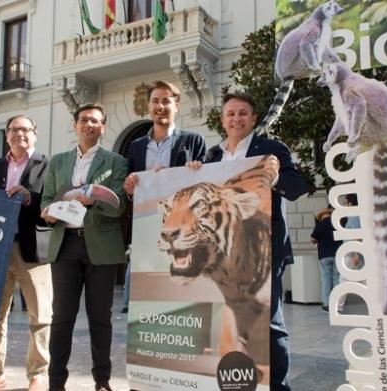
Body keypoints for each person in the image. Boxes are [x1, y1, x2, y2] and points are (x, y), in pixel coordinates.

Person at [202, 92, 311, 391]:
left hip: (263, 249)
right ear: (222, 120)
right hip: (223, 253)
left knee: (269, 321)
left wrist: (275, 179)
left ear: (252, 118)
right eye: (230, 113)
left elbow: (299, 186)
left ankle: (278, 386)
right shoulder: (213, 156)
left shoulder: (272, 149)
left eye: (242, 113)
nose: (236, 118)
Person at [40, 103, 127, 391]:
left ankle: (102, 381)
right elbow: (46, 200)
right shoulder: (58, 161)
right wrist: (48, 211)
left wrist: (93, 201)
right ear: (75, 125)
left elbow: (119, 207)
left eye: (95, 121)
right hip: (65, 246)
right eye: (84, 120)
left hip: (100, 248)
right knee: (61, 318)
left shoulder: (116, 161)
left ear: (103, 127)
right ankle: (56, 383)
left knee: (100, 319)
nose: (89, 124)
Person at [0, 115, 51, 391]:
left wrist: (30, 197)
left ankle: (38, 375)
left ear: (35, 133)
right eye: (14, 129)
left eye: (25, 129)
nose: (20, 133)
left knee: (40, 316)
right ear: (7, 135)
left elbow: (54, 206)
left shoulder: (48, 165)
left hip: (34, 250)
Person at [121, 80, 206, 313]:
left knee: (179, 291)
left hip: (182, 229)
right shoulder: (137, 147)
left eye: (166, 101)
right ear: (148, 106)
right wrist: (129, 188)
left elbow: (203, 187)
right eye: (155, 101)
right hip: (146, 228)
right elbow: (130, 188)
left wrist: (197, 168)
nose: (160, 106)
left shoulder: (194, 141)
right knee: (146, 292)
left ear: (176, 105)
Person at [310, 205, 342, 312]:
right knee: (336, 279)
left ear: (323, 215)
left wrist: (318, 240)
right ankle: (337, 304)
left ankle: (326, 304)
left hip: (324, 256)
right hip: (337, 254)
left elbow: (313, 239)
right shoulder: (337, 224)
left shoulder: (320, 225)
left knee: (326, 280)